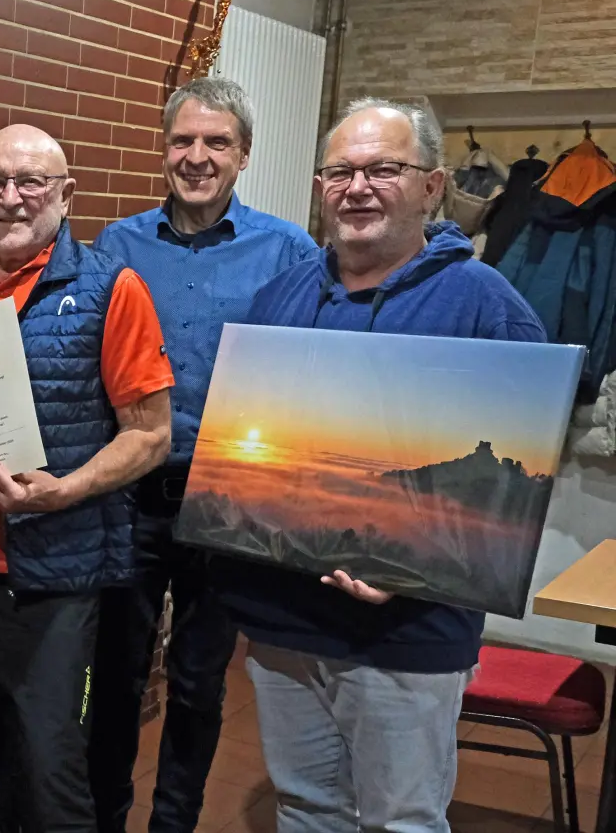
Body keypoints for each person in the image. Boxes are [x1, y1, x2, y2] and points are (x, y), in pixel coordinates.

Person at [227, 99, 545, 833]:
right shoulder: (279, 301)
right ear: (320, 186)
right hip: (285, 618)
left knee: (402, 819)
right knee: (306, 808)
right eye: (341, 171)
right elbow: (249, 448)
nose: (358, 187)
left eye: (384, 169)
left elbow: (515, 486)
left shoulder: (484, 304)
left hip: (410, 630)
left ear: (432, 187)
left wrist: (413, 567)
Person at [0, 123, 175, 833]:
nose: (11, 198)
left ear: (65, 194)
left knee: (51, 773)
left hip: (51, 582)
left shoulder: (112, 287)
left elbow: (151, 434)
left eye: (31, 183)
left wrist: (65, 490)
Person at [89, 76, 317, 833]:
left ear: (242, 154)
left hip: (228, 502)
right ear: (164, 150)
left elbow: (313, 375)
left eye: (215, 142)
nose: (196, 156)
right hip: (128, 497)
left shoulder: (288, 251)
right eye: (182, 141)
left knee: (196, 684)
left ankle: (172, 824)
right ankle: (103, 817)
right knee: (117, 679)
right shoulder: (115, 246)